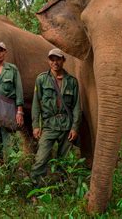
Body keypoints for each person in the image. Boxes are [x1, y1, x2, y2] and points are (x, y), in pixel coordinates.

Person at [30, 48, 81, 184]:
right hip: (49, 125)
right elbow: (36, 104)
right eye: (52, 59)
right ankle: (35, 188)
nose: (55, 62)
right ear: (48, 61)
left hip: (66, 126)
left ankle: (62, 187)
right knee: (41, 159)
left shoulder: (72, 81)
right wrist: (36, 126)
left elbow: (76, 106)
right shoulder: (41, 79)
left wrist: (74, 127)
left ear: (63, 60)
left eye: (58, 59)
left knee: (63, 161)